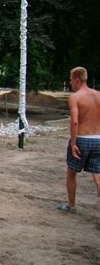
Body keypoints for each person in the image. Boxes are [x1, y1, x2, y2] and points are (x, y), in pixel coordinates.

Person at [59, 66, 100, 214]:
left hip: (82, 138)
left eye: (71, 80)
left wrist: (74, 142)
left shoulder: (75, 97)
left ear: (77, 79)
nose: (70, 83)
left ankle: (71, 205)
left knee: (72, 172)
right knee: (98, 175)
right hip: (98, 139)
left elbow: (75, 121)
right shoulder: (98, 95)